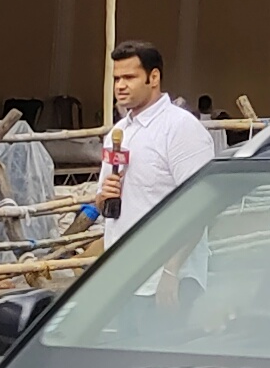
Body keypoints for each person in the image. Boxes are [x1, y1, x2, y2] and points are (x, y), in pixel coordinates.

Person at [88, 39, 215, 242]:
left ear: (153, 77)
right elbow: (102, 201)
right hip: (122, 263)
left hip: (164, 266)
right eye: (116, 79)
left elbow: (200, 208)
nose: (120, 86)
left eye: (129, 78)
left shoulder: (181, 128)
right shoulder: (118, 132)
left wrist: (170, 272)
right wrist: (103, 198)